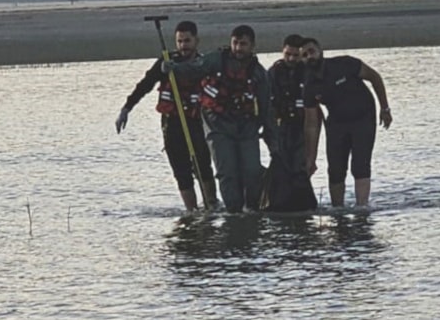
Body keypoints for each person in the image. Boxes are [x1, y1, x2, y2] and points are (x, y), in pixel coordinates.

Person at [162, 25, 277, 213]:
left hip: (247, 127)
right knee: (227, 172)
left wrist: (273, 143)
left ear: (252, 46)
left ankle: (252, 210)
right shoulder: (215, 60)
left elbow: (265, 109)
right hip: (218, 126)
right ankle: (233, 212)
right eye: (235, 43)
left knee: (252, 171)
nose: (239, 48)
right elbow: (192, 69)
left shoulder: (259, 73)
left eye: (243, 44)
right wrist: (173, 68)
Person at [115, 20, 217, 211]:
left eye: (187, 41)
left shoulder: (204, 63)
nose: (183, 46)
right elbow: (145, 85)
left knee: (203, 166)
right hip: (173, 124)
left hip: (197, 122)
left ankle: (211, 206)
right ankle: (191, 212)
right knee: (181, 171)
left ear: (196, 40)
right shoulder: (166, 62)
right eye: (179, 41)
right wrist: (126, 109)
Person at [301, 37, 393, 207]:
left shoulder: (345, 64)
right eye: (305, 55)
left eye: (311, 51)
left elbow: (375, 77)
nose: (309, 57)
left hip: (363, 118)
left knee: (360, 165)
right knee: (335, 169)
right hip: (337, 122)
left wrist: (385, 108)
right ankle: (338, 211)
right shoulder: (309, 86)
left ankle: (362, 208)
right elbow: (312, 124)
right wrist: (311, 158)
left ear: (321, 51)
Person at [260, 34, 318, 212]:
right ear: (282, 52)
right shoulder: (272, 73)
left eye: (295, 55)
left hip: (301, 127)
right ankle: (277, 203)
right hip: (278, 127)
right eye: (288, 54)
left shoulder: (309, 73)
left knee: (300, 167)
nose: (291, 59)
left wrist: (312, 154)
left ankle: (303, 207)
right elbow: (264, 104)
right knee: (280, 164)